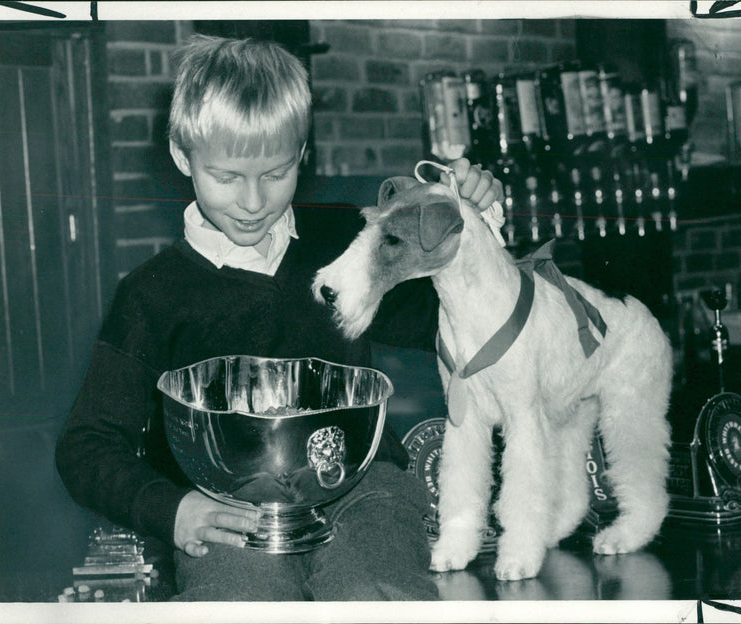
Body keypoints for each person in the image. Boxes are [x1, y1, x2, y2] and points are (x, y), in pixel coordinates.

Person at [55, 34, 502, 602]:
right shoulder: (150, 294)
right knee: (238, 601)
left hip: (365, 490)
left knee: (376, 591)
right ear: (182, 156)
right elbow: (86, 445)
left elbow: (451, 324)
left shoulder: (345, 242)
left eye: (276, 173)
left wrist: (474, 231)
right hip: (225, 508)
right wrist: (172, 508)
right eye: (227, 177)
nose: (252, 201)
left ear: (302, 153)